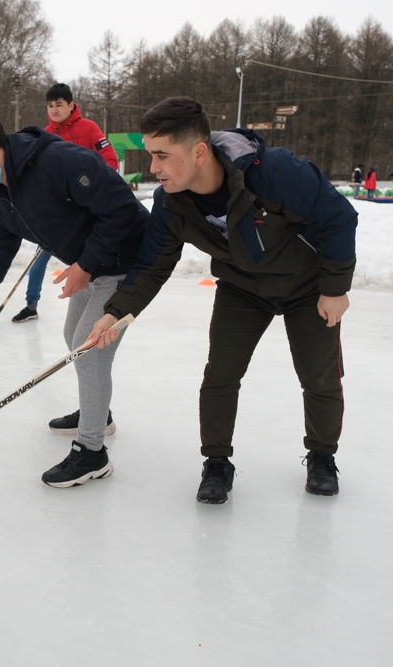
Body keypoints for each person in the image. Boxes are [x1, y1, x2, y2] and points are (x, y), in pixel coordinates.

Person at [89, 97, 357, 503]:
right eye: (150, 155)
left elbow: (338, 216)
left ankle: (322, 455)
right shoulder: (170, 202)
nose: (153, 168)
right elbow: (152, 266)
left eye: (162, 156)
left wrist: (335, 289)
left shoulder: (275, 173)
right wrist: (116, 313)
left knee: (318, 376)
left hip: (307, 286)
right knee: (220, 375)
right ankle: (217, 462)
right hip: (242, 288)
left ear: (199, 152)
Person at [0, 104, 148, 488]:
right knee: (74, 339)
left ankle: (92, 453)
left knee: (87, 352)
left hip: (126, 261)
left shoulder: (59, 161)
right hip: (93, 266)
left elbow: (124, 212)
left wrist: (85, 265)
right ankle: (97, 414)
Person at [11, 83, 120, 324]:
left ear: (71, 105)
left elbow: (111, 160)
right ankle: (31, 305)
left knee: (88, 261)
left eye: (59, 104)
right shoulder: (43, 136)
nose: (54, 110)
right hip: (58, 217)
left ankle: (93, 308)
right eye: (50, 105)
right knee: (39, 261)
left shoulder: (89, 128)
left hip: (88, 213)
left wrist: (94, 190)